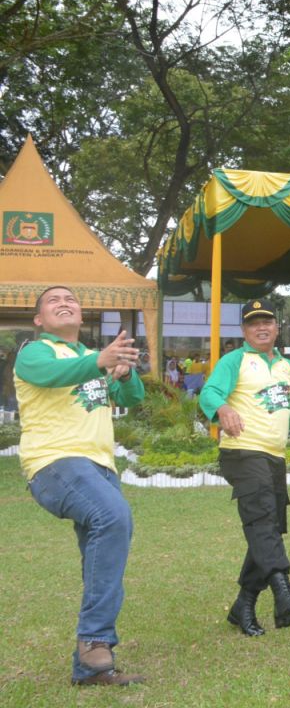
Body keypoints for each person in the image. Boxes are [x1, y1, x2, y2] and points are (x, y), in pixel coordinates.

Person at [14, 286, 145, 686]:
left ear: (81, 313)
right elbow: (51, 376)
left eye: (70, 299)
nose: (64, 303)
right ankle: (95, 641)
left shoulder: (92, 358)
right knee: (114, 515)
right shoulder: (35, 352)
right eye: (53, 301)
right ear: (39, 320)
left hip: (100, 467)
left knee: (101, 557)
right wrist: (100, 361)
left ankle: (90, 668)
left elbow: (132, 397)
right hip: (55, 462)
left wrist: (123, 372)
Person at [199, 300, 290, 637]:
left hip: (274, 457)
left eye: (267, 321)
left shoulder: (287, 368)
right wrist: (222, 408)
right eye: (253, 323)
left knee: (267, 527)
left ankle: (244, 605)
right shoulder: (234, 361)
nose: (261, 327)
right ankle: (285, 595)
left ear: (277, 327)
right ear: (244, 331)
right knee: (263, 519)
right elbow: (209, 392)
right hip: (241, 452)